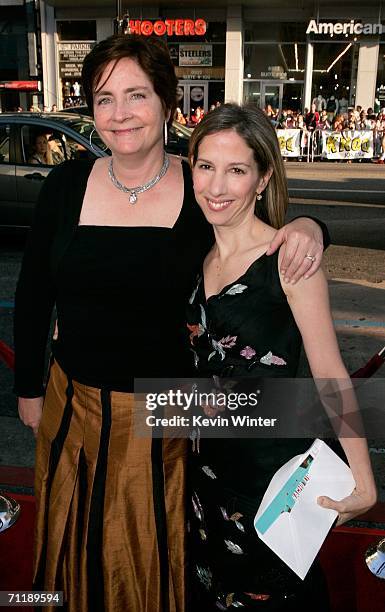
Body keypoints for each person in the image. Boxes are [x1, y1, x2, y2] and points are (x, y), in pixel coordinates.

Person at [15, 35, 329, 612]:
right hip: (70, 402)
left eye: (136, 94)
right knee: (68, 542)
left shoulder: (202, 183)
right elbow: (34, 291)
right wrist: (29, 388)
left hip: (166, 411)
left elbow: (267, 229)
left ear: (166, 101)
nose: (120, 113)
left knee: (146, 551)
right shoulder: (65, 186)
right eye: (104, 98)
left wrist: (310, 225)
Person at [186, 103, 377, 610]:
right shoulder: (194, 257)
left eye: (236, 170)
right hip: (202, 480)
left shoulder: (287, 260)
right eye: (206, 166)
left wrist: (363, 480)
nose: (217, 186)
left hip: (271, 486)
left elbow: (329, 370)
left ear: (263, 176)